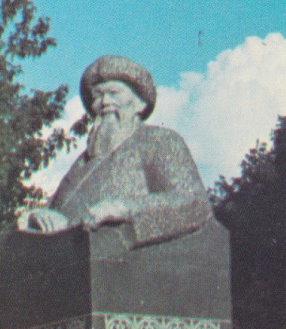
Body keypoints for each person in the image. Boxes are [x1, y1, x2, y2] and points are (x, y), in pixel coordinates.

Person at [20, 55, 211, 248]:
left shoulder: (159, 140)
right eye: (97, 96)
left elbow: (193, 202)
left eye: (114, 93)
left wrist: (123, 208)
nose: (104, 102)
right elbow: (53, 207)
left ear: (140, 103)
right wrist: (36, 216)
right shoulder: (83, 163)